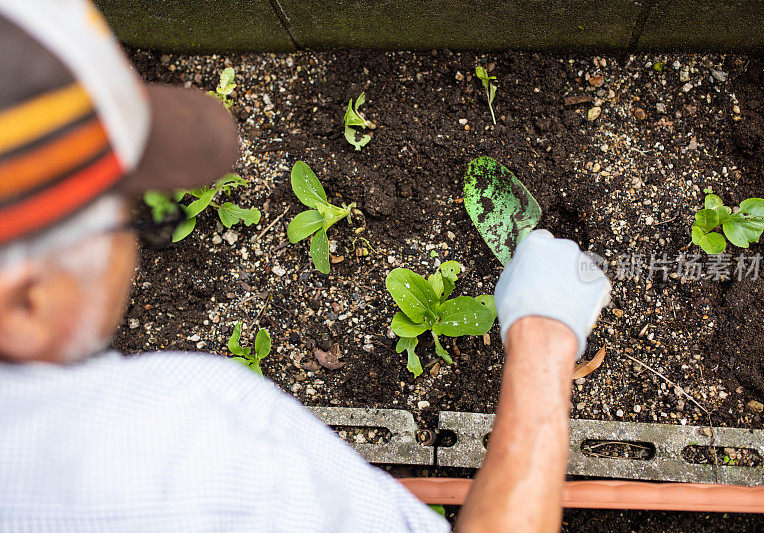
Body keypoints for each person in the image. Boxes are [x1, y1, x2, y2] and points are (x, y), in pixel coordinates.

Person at [0, 1, 610, 531]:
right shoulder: (182, 456)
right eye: (133, 215)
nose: (135, 237)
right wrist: (544, 340)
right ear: (27, 301)